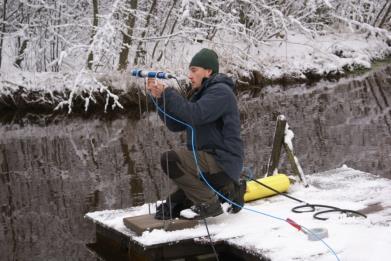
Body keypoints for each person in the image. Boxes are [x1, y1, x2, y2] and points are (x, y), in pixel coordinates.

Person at [146, 48, 245, 220]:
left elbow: (194, 114)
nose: (189, 76)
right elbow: (175, 124)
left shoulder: (221, 92)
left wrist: (168, 93)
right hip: (207, 166)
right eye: (189, 71)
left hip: (222, 163)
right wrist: (159, 99)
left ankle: (210, 203)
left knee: (169, 159)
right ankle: (227, 191)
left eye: (194, 71)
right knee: (170, 209)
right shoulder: (202, 93)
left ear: (208, 71)